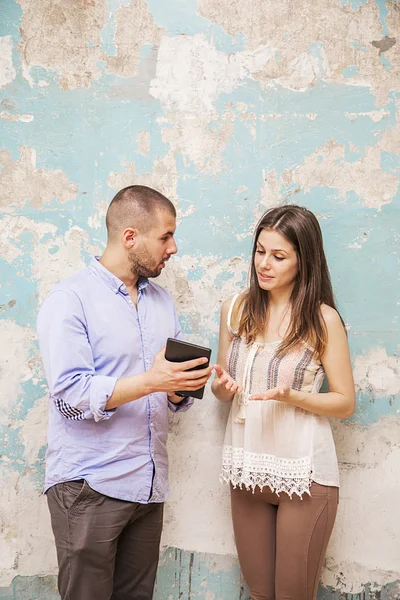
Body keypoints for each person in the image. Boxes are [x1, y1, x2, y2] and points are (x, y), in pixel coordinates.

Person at [37, 185, 213, 600]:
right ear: (130, 237)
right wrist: (153, 381)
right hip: (89, 486)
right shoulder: (70, 300)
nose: (173, 248)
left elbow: (170, 389)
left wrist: (182, 387)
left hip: (148, 487)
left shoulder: (162, 301)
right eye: (165, 236)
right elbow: (71, 395)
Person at [212, 205, 355, 600]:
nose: (264, 264)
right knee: (259, 595)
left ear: (303, 261)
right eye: (260, 251)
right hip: (246, 466)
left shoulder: (322, 319)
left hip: (304, 474)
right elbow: (223, 386)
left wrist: (293, 396)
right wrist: (222, 389)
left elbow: (345, 403)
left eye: (278, 256)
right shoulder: (235, 309)